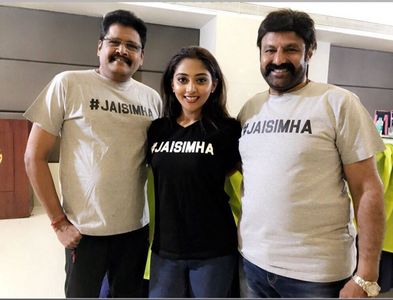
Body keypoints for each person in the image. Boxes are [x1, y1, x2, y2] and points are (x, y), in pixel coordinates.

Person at [237, 8, 386, 298]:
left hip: (316, 274)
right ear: (260, 53)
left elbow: (367, 188)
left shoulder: (338, 103)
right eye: (270, 50)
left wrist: (367, 275)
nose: (278, 59)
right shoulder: (250, 108)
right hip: (253, 264)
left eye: (290, 49)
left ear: (310, 52)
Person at [24, 10, 162, 298]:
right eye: (114, 42)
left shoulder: (152, 99)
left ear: (142, 56)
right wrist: (59, 222)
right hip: (84, 234)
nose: (122, 50)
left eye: (132, 46)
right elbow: (33, 157)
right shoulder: (68, 84)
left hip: (135, 232)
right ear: (99, 47)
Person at [146, 46, 241, 298]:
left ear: (214, 85)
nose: (190, 89)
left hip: (214, 250)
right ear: (171, 84)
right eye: (182, 80)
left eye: (201, 80)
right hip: (165, 249)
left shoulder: (228, 130)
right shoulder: (157, 129)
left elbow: (244, 182)